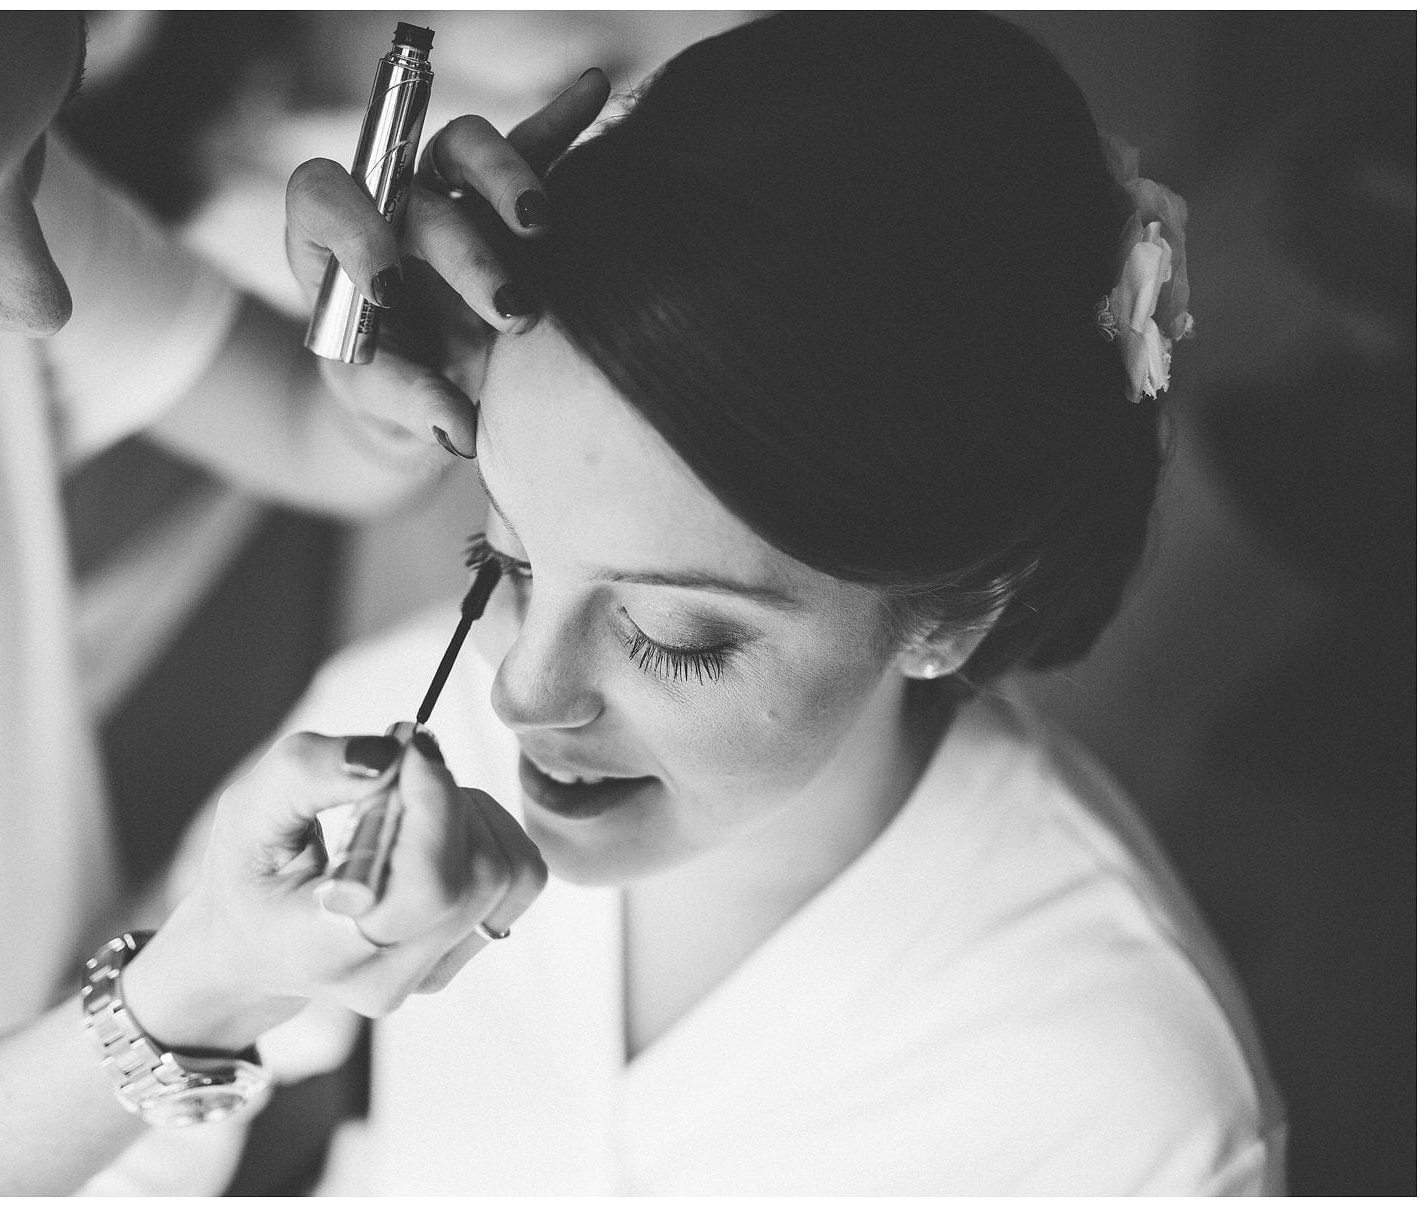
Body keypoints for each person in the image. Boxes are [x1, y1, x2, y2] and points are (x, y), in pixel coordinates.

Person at [181, 11, 1284, 1194]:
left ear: (953, 614)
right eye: (503, 560)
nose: (517, 695)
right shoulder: (396, 723)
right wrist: (207, 984)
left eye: (676, 636)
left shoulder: (1122, 1109)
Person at [0, 11, 601, 1195]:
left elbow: (314, 436)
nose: (32, 297)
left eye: (43, 146)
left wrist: (395, 366)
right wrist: (217, 976)